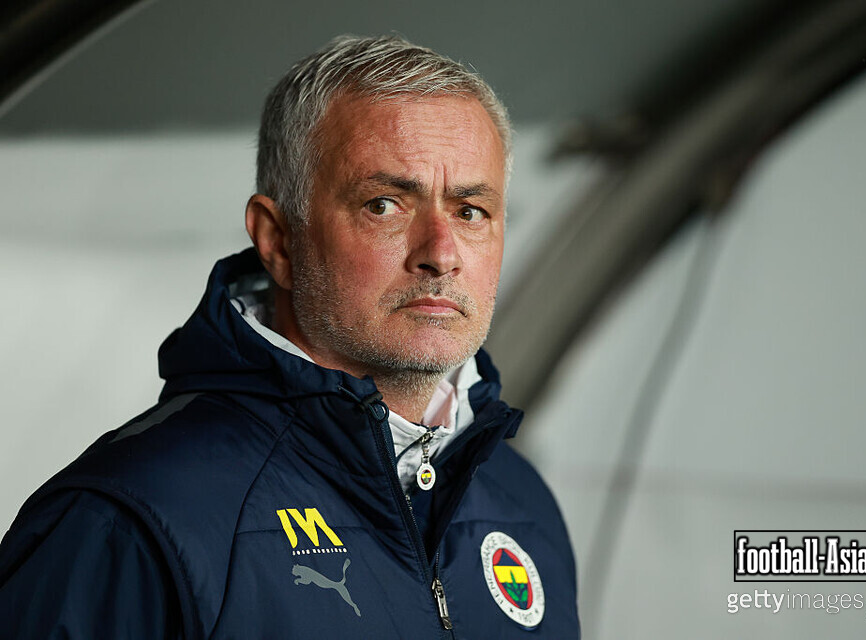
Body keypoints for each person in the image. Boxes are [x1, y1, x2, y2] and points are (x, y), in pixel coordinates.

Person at [0, 35, 579, 638]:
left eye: (471, 211)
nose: (440, 254)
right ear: (277, 240)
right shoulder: (129, 522)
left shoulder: (522, 502)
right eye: (385, 205)